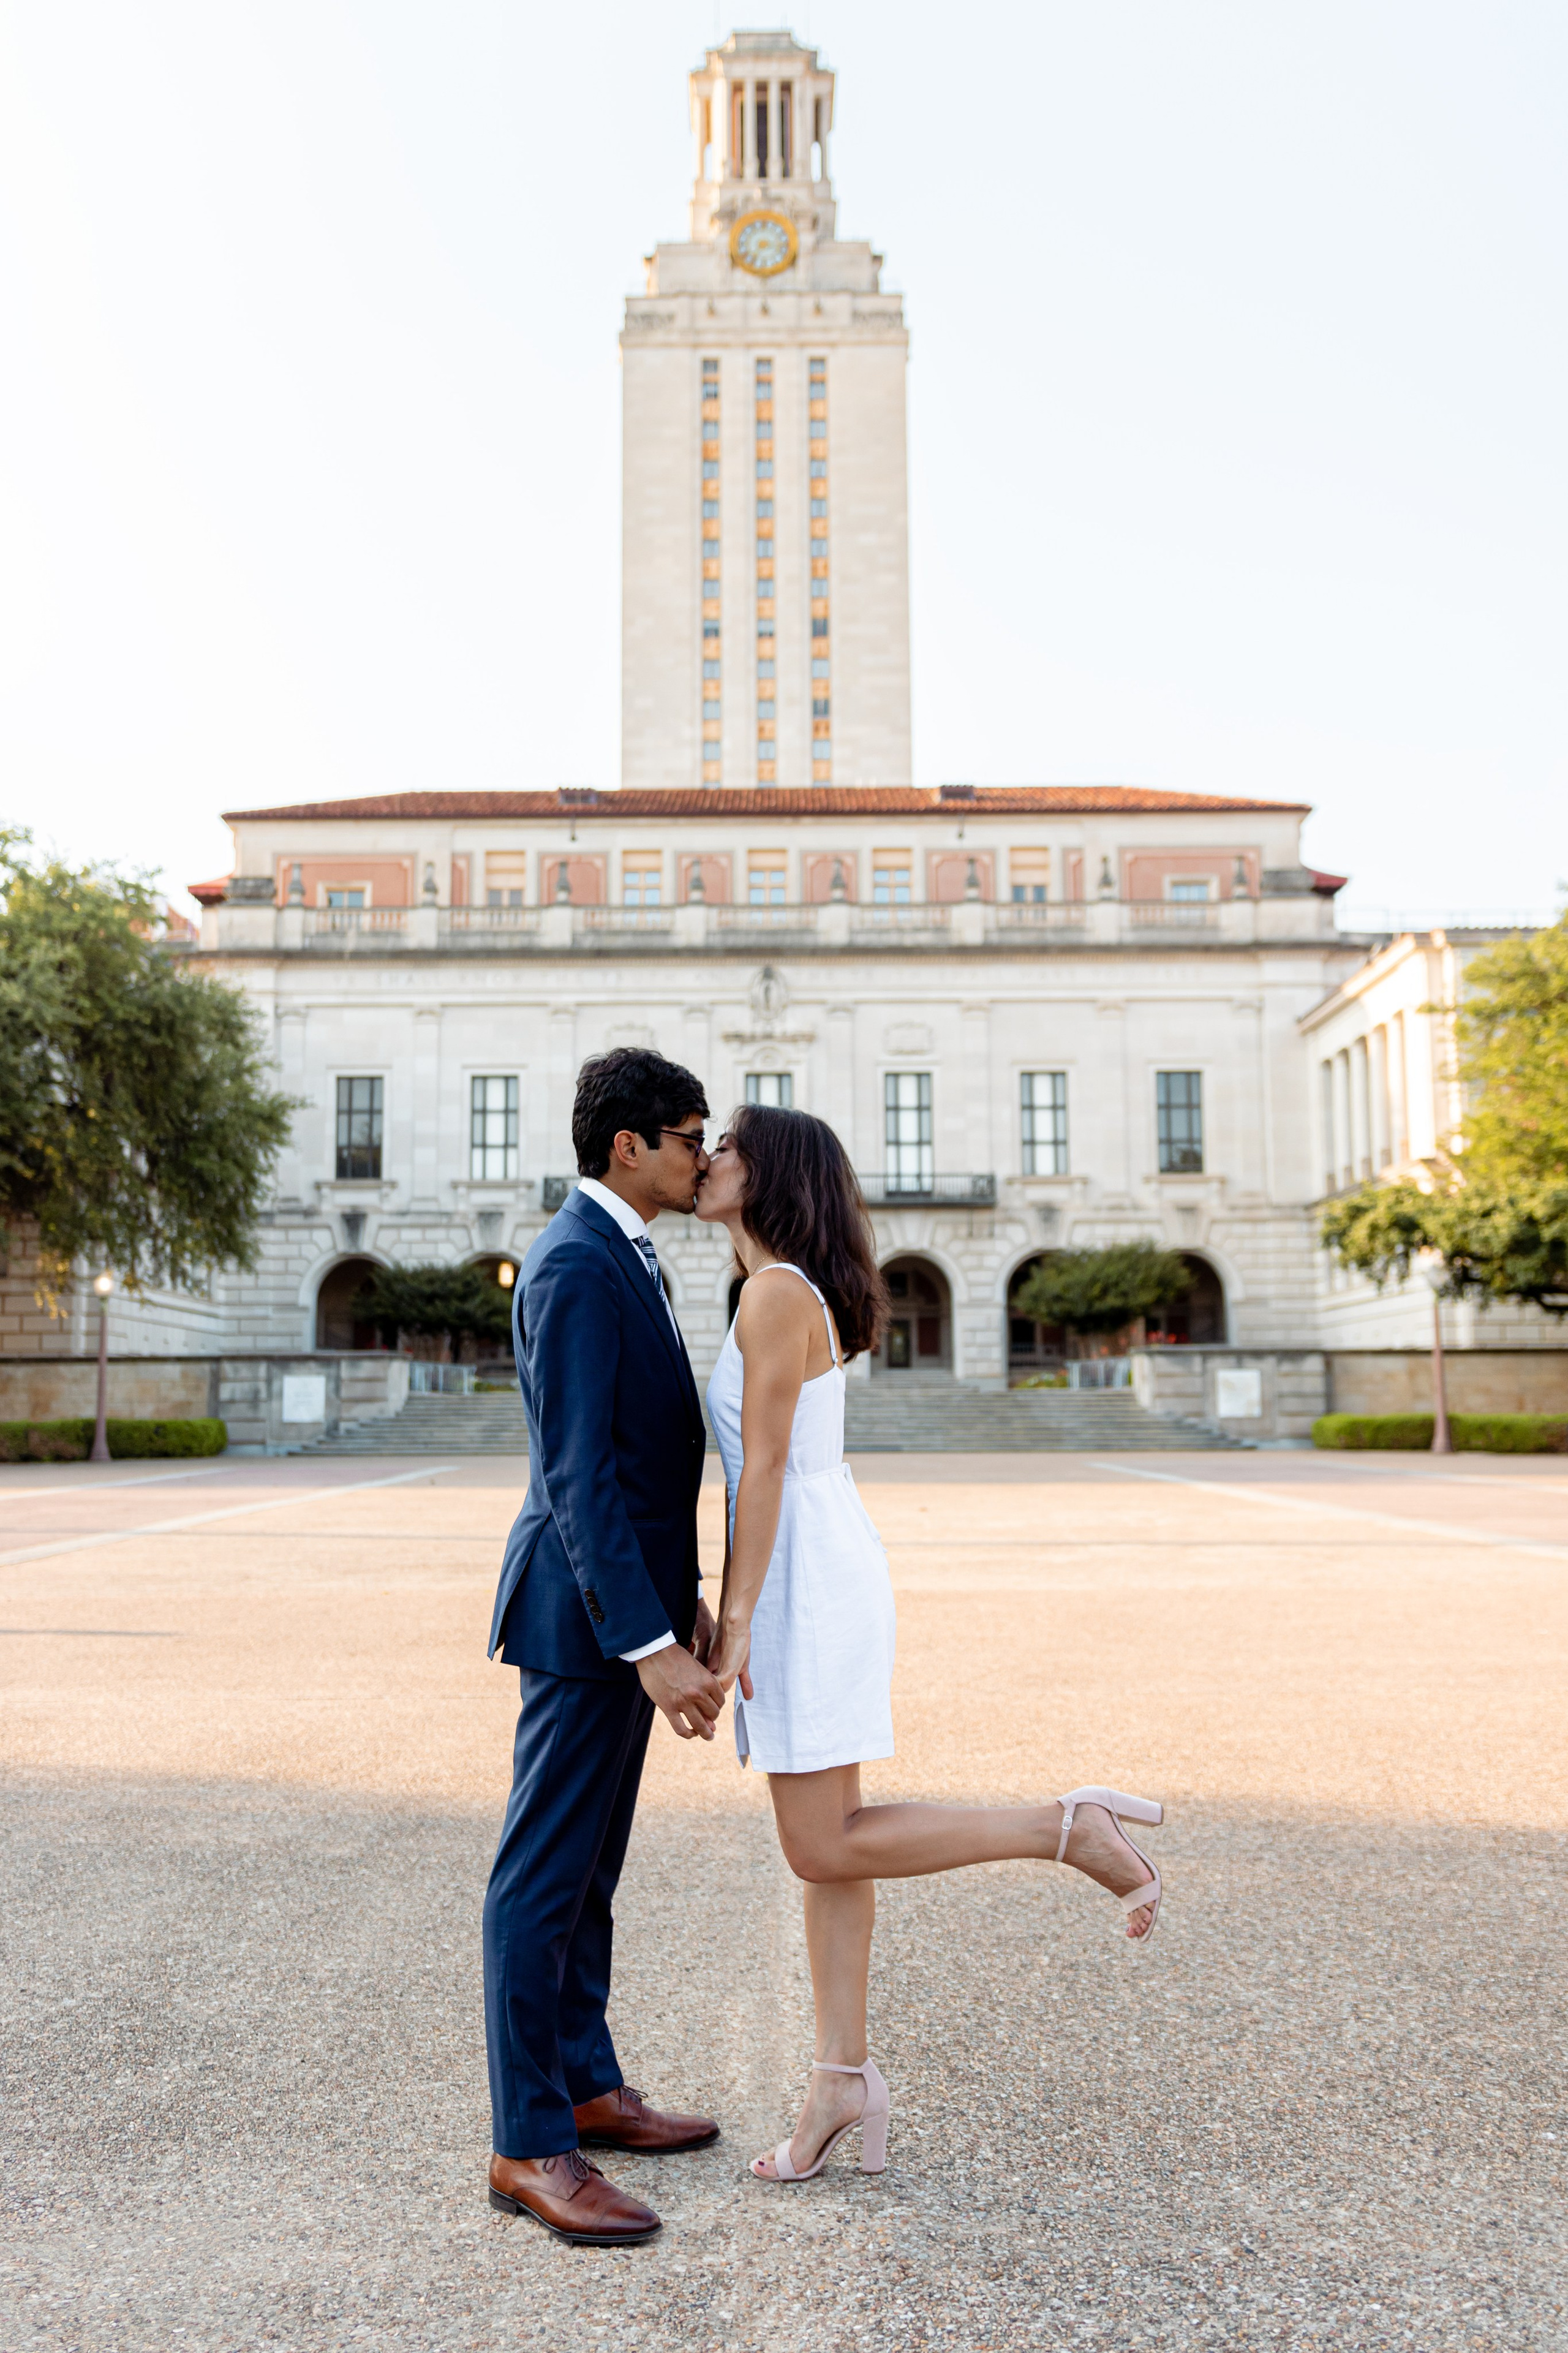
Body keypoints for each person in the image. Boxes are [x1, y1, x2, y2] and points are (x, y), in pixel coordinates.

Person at [695, 1101, 1165, 2185]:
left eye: (727, 1146)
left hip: (804, 1572)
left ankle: (1066, 1827)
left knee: (818, 1842)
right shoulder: (776, 1288)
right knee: (836, 1836)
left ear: (769, 1175)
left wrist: (735, 1619)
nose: (709, 1157)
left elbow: (762, 1469)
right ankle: (839, 2080)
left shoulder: (773, 1293)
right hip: (819, 1556)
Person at [482, 1048, 728, 2247]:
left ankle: (585, 2083)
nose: (702, 1151)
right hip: (583, 1625)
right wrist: (645, 1638)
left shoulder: (620, 1253)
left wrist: (676, 1601)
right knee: (540, 1878)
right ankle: (531, 2141)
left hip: (621, 1608)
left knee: (587, 1875)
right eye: (689, 1133)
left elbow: (636, 1465)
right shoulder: (577, 1262)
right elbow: (577, 1476)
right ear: (626, 1144)